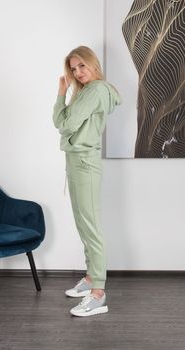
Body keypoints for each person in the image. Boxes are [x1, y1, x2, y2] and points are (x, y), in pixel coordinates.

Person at [53, 46, 121, 317]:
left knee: (90, 226)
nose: (77, 73)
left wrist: (66, 116)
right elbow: (60, 120)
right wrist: (61, 93)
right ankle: (92, 278)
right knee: (83, 223)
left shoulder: (96, 90)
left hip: (84, 162)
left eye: (81, 66)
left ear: (93, 63)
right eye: (73, 68)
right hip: (76, 160)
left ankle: (98, 294)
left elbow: (66, 125)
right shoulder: (83, 92)